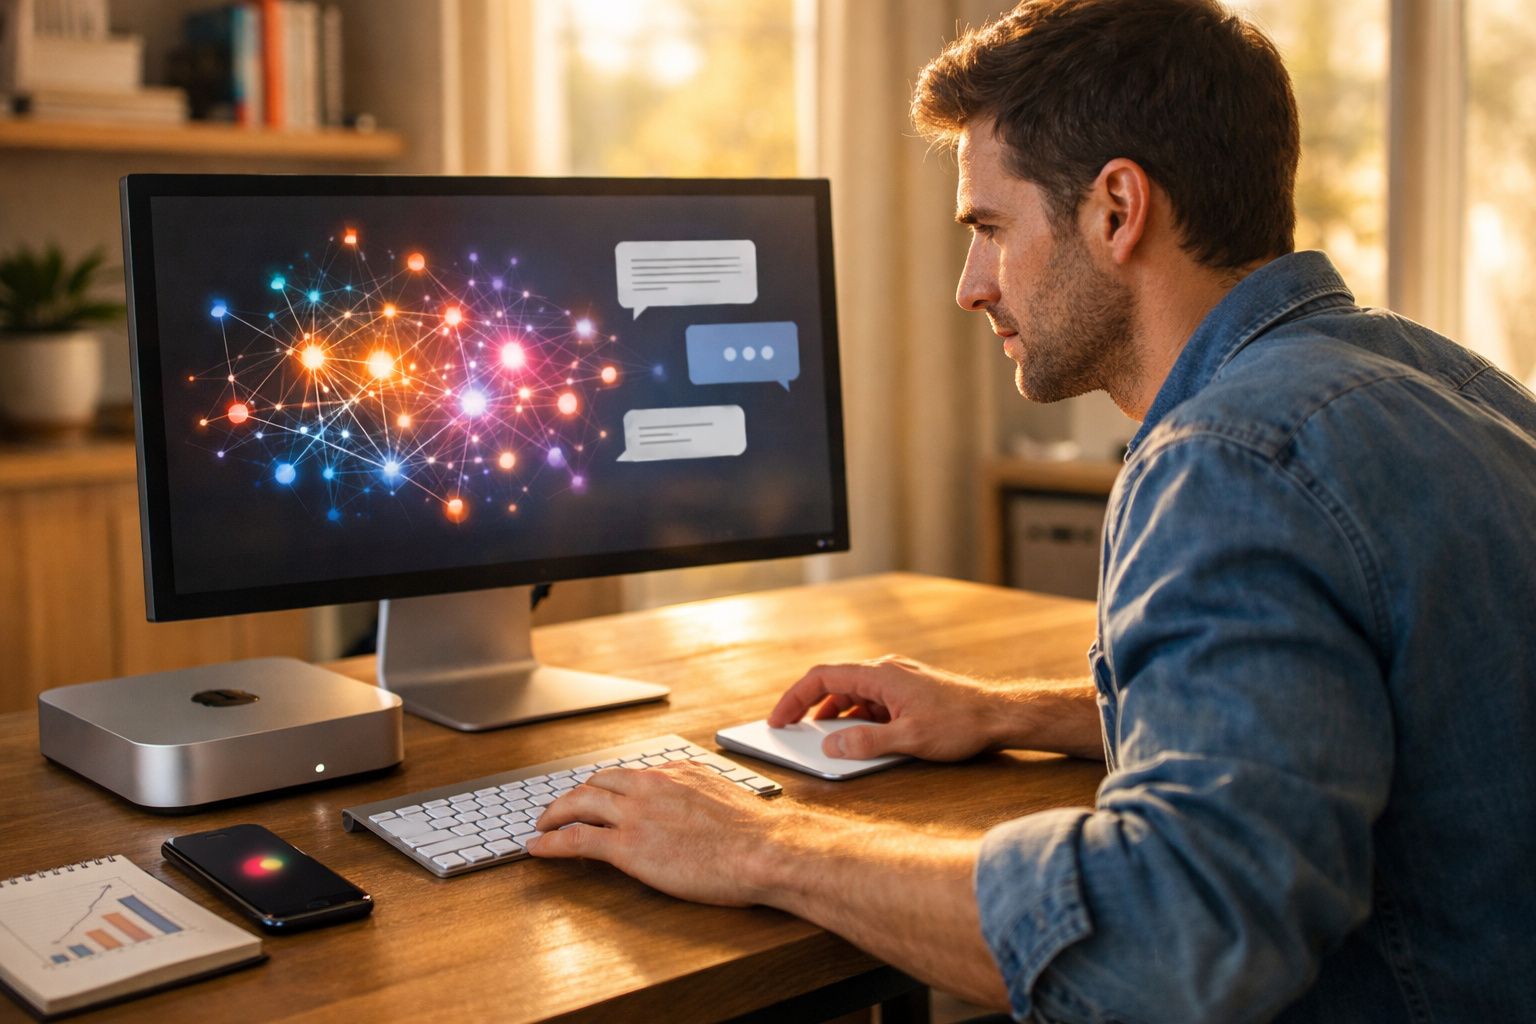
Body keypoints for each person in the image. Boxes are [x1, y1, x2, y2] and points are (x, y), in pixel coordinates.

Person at [528, 0, 1536, 1019]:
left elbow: (1172, 943)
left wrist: (763, 843)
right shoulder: (1442, 380)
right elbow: (1337, 722)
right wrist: (1011, 712)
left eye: (989, 228)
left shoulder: (1231, 459)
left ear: (1116, 209)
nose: (970, 286)